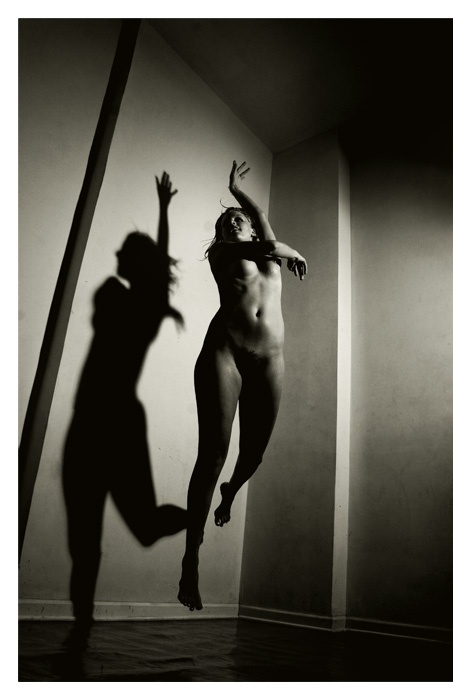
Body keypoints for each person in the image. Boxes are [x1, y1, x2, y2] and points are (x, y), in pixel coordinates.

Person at [62, 172, 186, 650]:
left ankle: (196, 513)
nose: (115, 255)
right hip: (86, 423)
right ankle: (81, 626)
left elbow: (159, 263)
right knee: (83, 537)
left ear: (138, 263)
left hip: (120, 424)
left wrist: (164, 211)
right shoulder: (115, 293)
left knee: (146, 528)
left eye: (123, 252)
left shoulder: (145, 306)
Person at [178, 160, 307, 611]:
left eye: (238, 219)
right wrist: (290, 251)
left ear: (249, 225)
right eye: (225, 222)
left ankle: (230, 492)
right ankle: (191, 560)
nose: (231, 223)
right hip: (225, 354)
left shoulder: (264, 249)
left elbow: (264, 226)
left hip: (269, 359)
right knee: (213, 454)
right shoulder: (223, 255)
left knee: (253, 454)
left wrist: (237, 191)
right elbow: (271, 244)